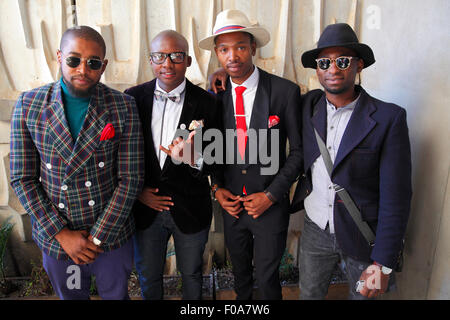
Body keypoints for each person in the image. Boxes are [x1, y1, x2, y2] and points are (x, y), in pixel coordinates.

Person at [9, 26, 144, 300]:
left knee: (116, 295)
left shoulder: (122, 106)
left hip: (110, 236)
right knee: (72, 296)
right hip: (59, 239)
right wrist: (62, 234)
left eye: (93, 63)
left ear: (103, 65)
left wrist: (95, 239)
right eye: (74, 59)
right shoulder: (29, 104)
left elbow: (131, 178)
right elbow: (22, 178)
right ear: (59, 57)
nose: (83, 69)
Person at [292, 23, 412, 299]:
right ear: (317, 69)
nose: (333, 69)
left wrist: (382, 263)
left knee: (363, 297)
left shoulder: (388, 119)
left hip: (362, 236)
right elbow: (267, 95)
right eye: (325, 62)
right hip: (316, 227)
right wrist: (225, 76)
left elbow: (397, 197)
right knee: (309, 294)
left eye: (342, 61)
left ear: (358, 66)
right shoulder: (307, 106)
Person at [200, 9, 302, 300]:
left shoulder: (284, 92)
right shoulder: (215, 96)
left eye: (241, 47)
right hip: (231, 207)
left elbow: (298, 152)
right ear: (218, 53)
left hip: (269, 205)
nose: (233, 56)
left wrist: (270, 196)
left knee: (268, 280)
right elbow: (210, 151)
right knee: (240, 277)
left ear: (253, 48)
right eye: (224, 49)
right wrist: (217, 189)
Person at [125, 30, 222, 300]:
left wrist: (194, 157)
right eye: (160, 56)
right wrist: (138, 192)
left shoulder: (208, 103)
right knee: (148, 274)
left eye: (176, 56)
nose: (167, 63)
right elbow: (123, 155)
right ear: (151, 60)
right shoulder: (132, 99)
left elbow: (215, 161)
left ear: (188, 61)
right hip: (145, 208)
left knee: (192, 273)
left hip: (190, 207)